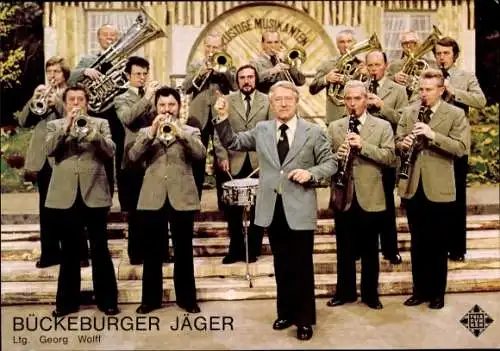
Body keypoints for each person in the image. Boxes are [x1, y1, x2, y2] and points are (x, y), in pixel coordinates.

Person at [214, 81, 337, 341]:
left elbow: (330, 163)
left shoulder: (313, 131)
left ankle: (304, 320)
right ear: (271, 104)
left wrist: (311, 173)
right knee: (281, 264)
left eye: (288, 99)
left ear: (296, 101)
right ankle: (286, 312)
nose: (283, 103)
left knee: (302, 265)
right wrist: (223, 117)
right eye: (278, 99)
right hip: (271, 207)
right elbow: (233, 141)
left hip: (300, 206)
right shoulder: (262, 129)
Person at [129, 87, 206, 315]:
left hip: (182, 196)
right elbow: (133, 156)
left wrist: (181, 134)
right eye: (162, 105)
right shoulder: (146, 131)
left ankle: (187, 299)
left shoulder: (191, 130)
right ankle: (150, 301)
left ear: (178, 106)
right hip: (153, 197)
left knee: (183, 251)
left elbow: (201, 155)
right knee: (152, 252)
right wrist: (152, 131)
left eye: (171, 105)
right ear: (156, 107)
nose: (167, 110)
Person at [45, 84, 119, 317]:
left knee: (100, 249)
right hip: (65, 196)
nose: (76, 104)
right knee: (68, 252)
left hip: (95, 194)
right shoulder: (55, 125)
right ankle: (67, 303)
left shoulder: (100, 124)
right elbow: (48, 150)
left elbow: (111, 151)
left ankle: (107, 301)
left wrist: (93, 135)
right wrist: (66, 127)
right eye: (71, 100)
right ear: (65, 104)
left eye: (80, 100)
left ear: (87, 103)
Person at [396, 69, 468, 309]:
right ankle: (420, 291)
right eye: (421, 90)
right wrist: (403, 143)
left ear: (441, 90)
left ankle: (437, 293)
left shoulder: (455, 115)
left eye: (428, 90)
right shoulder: (409, 111)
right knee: (418, 242)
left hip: (439, 187)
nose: (423, 94)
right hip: (414, 185)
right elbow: (396, 141)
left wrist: (433, 134)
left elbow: (461, 148)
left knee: (438, 244)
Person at [327, 80, 396, 310]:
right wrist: (338, 155)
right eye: (348, 99)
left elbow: (389, 158)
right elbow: (326, 160)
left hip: (371, 194)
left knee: (369, 250)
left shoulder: (382, 126)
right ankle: (344, 292)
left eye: (357, 98)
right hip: (343, 193)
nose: (352, 103)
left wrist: (363, 145)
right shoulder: (335, 127)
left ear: (366, 99)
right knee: (344, 249)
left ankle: (370, 295)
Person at [17, 56, 87, 269]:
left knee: (71, 208)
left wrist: (58, 103)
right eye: (49, 72)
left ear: (64, 73)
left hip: (65, 156)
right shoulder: (41, 94)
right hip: (44, 160)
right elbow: (22, 121)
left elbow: (78, 118)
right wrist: (33, 99)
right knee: (46, 208)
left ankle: (78, 253)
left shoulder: (72, 94)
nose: (52, 76)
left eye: (56, 72)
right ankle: (49, 253)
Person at [433, 37, 487, 262]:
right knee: (436, 198)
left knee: (457, 198)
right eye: (438, 53)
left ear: (454, 55)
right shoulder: (430, 76)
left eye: (446, 53)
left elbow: (481, 101)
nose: (441, 57)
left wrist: (454, 92)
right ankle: (438, 246)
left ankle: (457, 249)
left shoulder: (466, 77)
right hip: (434, 144)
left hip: (457, 146)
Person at [114, 56, 169, 265]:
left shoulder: (153, 96)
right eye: (138, 74)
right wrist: (147, 98)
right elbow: (127, 118)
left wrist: (160, 103)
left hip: (155, 157)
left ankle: (162, 251)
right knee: (136, 210)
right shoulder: (121, 98)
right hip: (133, 159)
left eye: (145, 74)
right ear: (128, 75)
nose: (142, 77)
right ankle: (136, 254)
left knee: (159, 206)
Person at [213, 64, 270, 264]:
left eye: (250, 77)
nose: (247, 81)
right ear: (237, 81)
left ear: (256, 79)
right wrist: (222, 157)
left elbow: (271, 132)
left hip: (258, 162)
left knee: (257, 209)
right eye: (243, 77)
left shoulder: (268, 100)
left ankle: (252, 249)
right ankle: (235, 249)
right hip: (233, 160)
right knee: (233, 211)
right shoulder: (227, 100)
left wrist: (268, 160)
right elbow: (218, 133)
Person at [68, 24, 124, 205]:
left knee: (121, 155)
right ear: (99, 38)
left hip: (117, 113)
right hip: (97, 114)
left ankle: (122, 200)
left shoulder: (124, 59)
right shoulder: (88, 59)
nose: (110, 38)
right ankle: (99, 199)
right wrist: (84, 71)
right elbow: (68, 78)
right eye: (106, 35)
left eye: (113, 35)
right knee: (99, 155)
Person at [365, 50, 409, 265]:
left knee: (386, 203)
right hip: (364, 153)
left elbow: (403, 119)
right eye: (370, 66)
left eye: (377, 65)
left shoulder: (398, 90)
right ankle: (364, 249)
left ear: (386, 65)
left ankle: (390, 249)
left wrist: (382, 107)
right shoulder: (360, 88)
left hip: (387, 152)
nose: (374, 69)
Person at [183, 32, 236, 203]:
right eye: (209, 46)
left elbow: (234, 85)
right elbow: (185, 87)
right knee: (196, 159)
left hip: (221, 115)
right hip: (198, 117)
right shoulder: (195, 64)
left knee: (223, 159)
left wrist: (223, 71)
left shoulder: (228, 63)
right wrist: (201, 73)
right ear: (204, 47)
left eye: (215, 47)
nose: (212, 51)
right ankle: (194, 202)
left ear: (222, 49)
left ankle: (225, 203)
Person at [310, 29, 367, 125]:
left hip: (358, 119)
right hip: (334, 120)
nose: (346, 45)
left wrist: (367, 77)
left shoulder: (363, 66)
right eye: (342, 42)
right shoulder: (328, 65)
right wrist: (326, 79)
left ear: (355, 44)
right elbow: (312, 89)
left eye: (349, 41)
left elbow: (371, 91)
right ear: (337, 45)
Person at [386, 30, 437, 103]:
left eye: (412, 42)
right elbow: (383, 84)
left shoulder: (431, 64)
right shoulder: (394, 65)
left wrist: (416, 81)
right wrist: (394, 78)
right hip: (402, 103)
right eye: (405, 43)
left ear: (418, 44)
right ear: (402, 46)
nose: (409, 46)